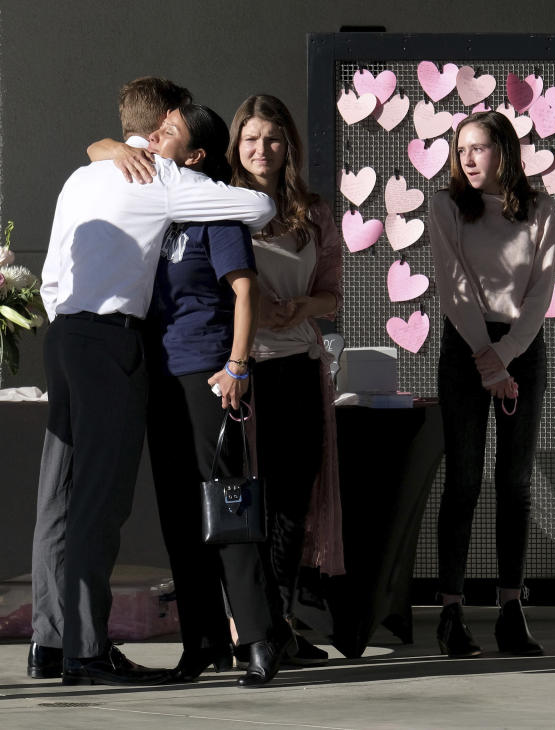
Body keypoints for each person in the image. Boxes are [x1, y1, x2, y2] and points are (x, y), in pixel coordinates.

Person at [30, 78, 276, 686]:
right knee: (110, 502)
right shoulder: (152, 179)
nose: (158, 140)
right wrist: (120, 152)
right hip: (117, 347)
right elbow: (259, 208)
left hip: (98, 343)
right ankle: (95, 651)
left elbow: (52, 274)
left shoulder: (99, 177)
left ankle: (59, 642)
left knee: (71, 497)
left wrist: (107, 149)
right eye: (160, 130)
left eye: (172, 132)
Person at [143, 103, 290, 687]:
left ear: (196, 155)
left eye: (168, 132)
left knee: (226, 509)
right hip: (160, 377)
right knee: (180, 515)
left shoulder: (217, 213)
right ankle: (200, 641)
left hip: (209, 373)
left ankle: (259, 637)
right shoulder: (154, 208)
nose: (154, 139)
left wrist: (237, 365)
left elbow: (245, 293)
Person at [429, 110, 555, 658]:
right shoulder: (445, 207)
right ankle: (451, 611)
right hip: (466, 348)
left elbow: (539, 293)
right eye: (462, 149)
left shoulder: (543, 210)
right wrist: (487, 358)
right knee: (463, 480)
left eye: (479, 148)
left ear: (505, 151)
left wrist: (504, 358)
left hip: (521, 353)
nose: (467, 158)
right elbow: (453, 286)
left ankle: (511, 608)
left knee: (516, 483)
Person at [226, 94, 344, 666]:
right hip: (243, 371)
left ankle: (280, 618)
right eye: (251, 138)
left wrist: (300, 308)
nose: (261, 150)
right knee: (251, 499)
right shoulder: (219, 202)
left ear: (288, 145)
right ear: (235, 143)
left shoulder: (314, 211)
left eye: (272, 139)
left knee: (294, 502)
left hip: (298, 365)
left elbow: (333, 291)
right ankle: (254, 624)